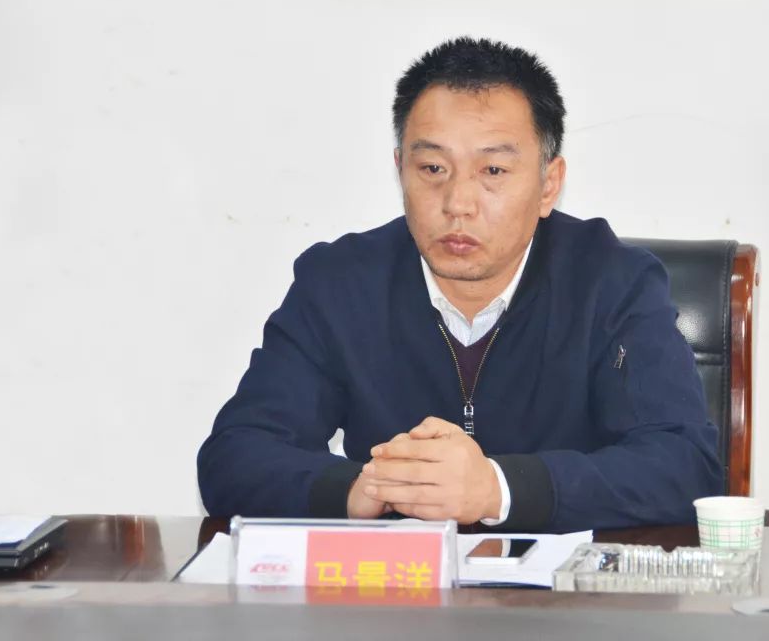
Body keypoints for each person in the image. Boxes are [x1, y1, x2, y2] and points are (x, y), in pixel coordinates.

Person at [197, 37, 723, 532]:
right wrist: (361, 489)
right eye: (432, 168)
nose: (457, 203)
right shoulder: (340, 284)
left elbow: (685, 465)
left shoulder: (613, 283)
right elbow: (234, 457)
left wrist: (498, 489)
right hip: (398, 590)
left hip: (562, 593)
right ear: (400, 169)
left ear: (548, 185)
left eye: (493, 171)